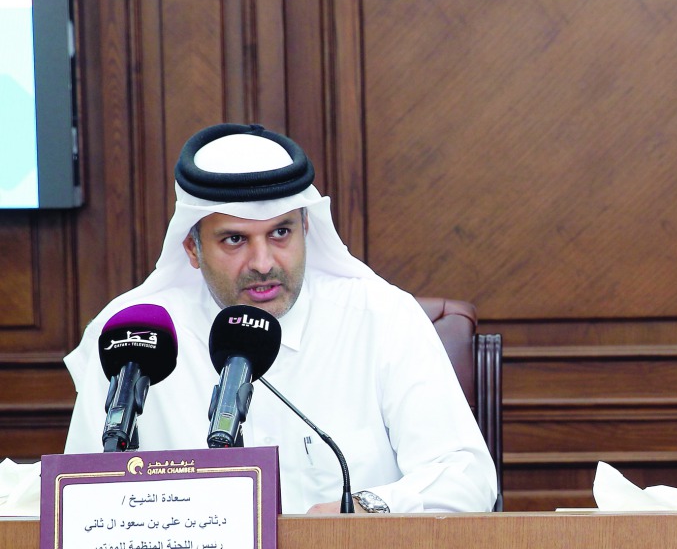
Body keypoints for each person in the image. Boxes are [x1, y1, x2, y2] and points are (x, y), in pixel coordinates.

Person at [64, 123, 498, 514]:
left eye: (280, 233)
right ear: (193, 249)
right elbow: (78, 497)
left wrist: (368, 509)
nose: (263, 262)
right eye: (235, 239)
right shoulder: (136, 338)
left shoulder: (379, 319)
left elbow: (467, 477)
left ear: (306, 228)